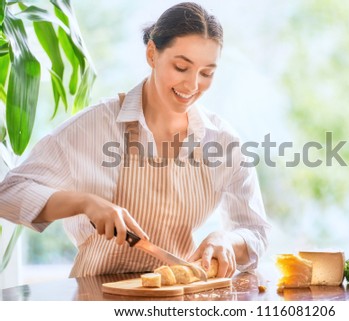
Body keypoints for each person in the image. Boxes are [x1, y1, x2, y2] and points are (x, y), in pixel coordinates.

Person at [0, 2, 270, 278]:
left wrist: (226, 241)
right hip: (96, 299)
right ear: (152, 54)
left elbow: (255, 231)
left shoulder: (223, 142)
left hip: (175, 297)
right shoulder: (93, 128)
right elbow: (8, 193)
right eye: (181, 67)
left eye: (206, 73)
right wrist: (85, 203)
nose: (192, 85)